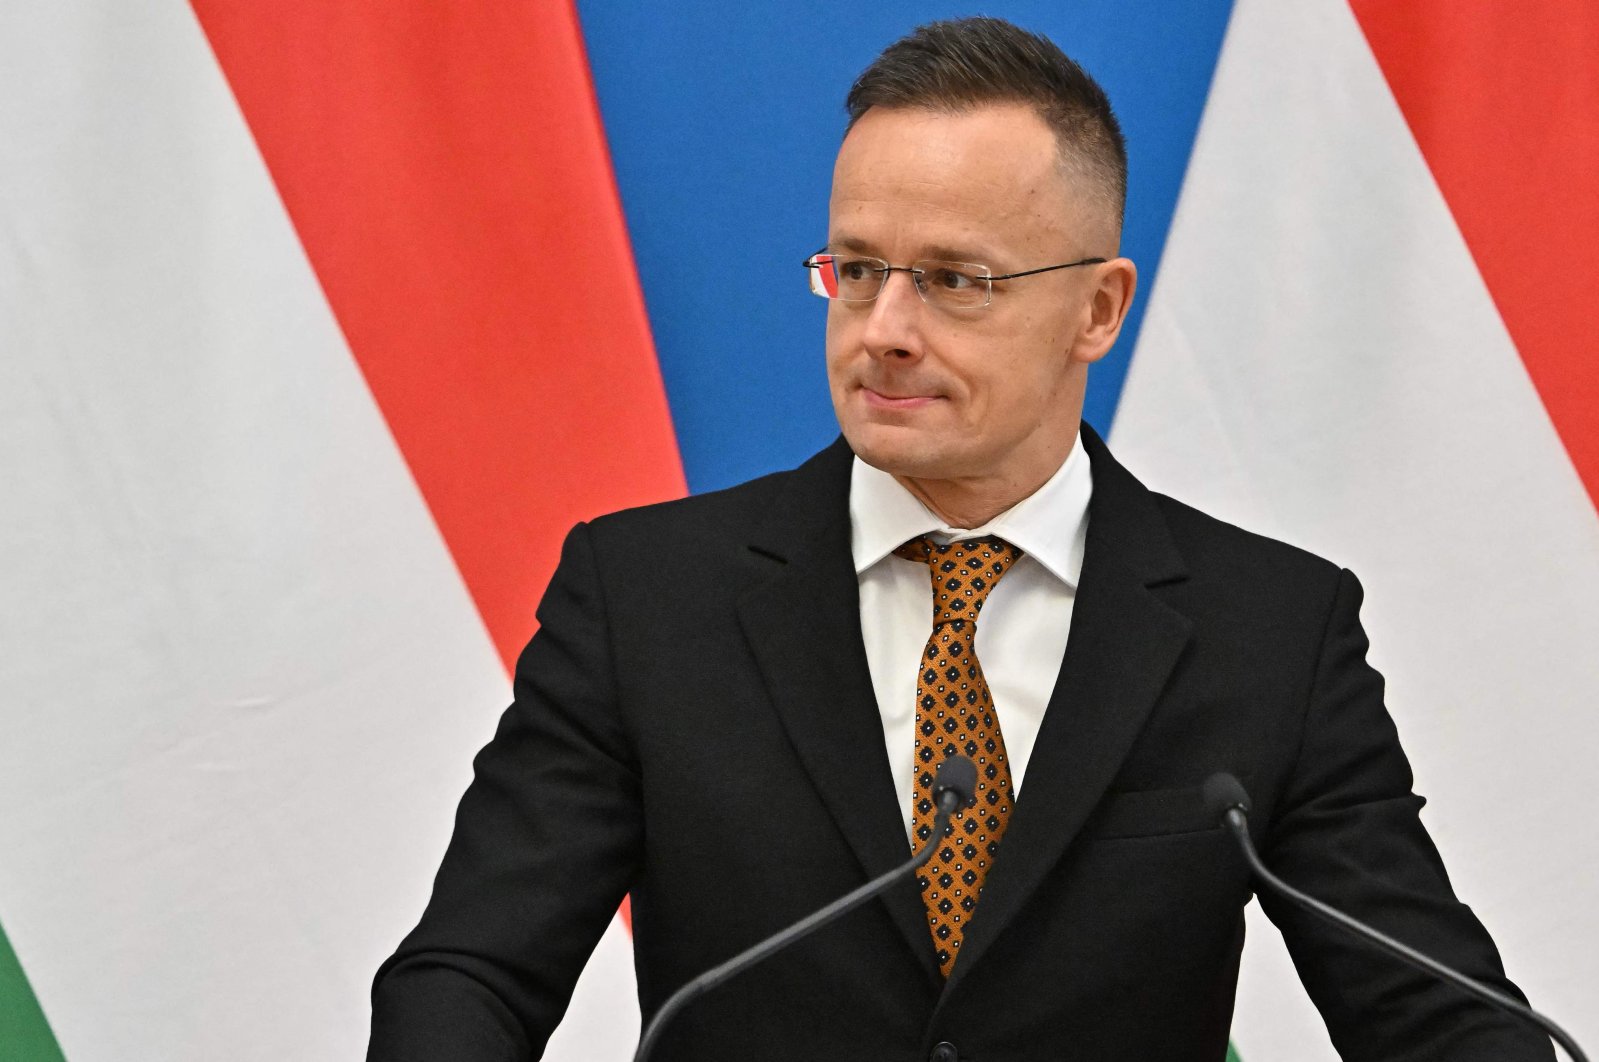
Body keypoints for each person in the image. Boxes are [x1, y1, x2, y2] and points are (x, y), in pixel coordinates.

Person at [369, 17, 1552, 1061]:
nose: (883, 330)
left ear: (1098, 309)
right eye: (860, 269)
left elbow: (1434, 1013)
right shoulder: (644, 600)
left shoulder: (1271, 631)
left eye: (953, 281)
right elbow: (471, 973)